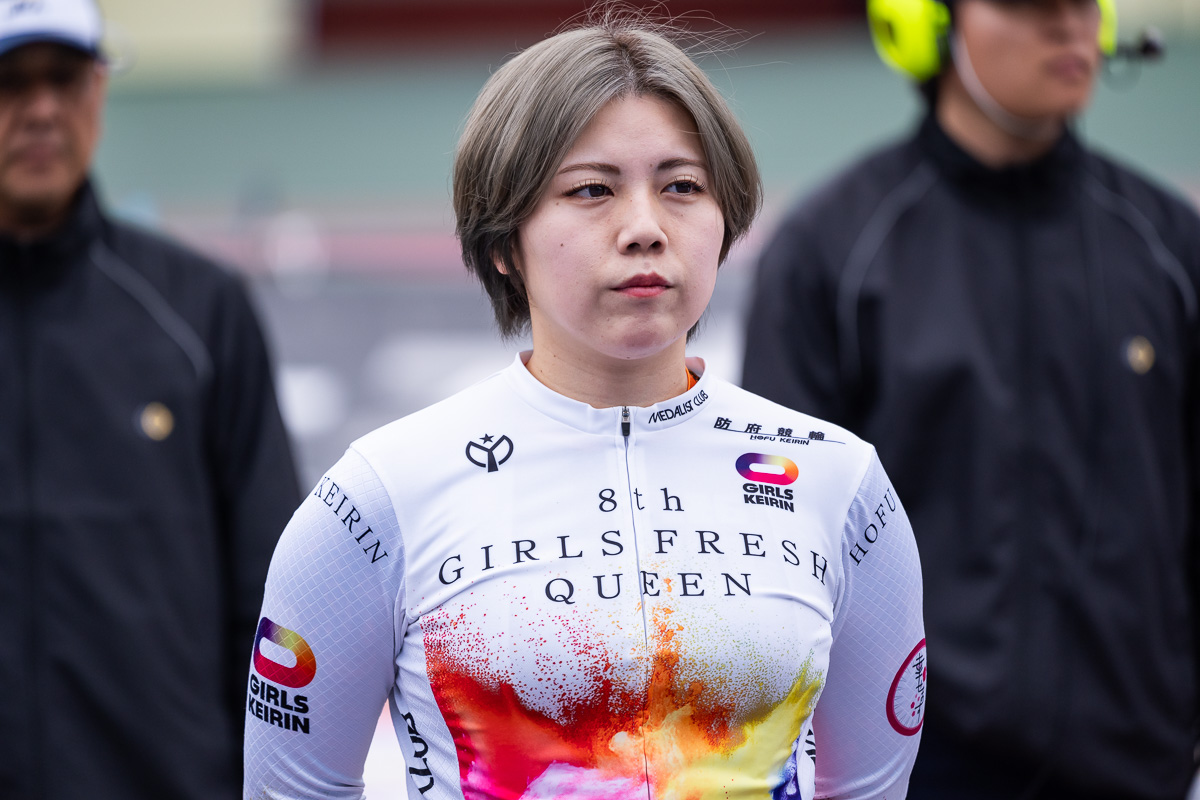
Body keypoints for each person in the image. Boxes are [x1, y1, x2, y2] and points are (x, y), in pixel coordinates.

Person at [244, 12, 926, 800]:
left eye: (682, 186)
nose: (644, 228)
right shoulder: (378, 496)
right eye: (591, 190)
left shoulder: (840, 483)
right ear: (504, 241)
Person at [742, 0, 1200, 797]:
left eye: (1083, 3)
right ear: (927, 23)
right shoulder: (832, 250)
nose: (1069, 26)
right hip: (912, 773)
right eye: (1029, 3)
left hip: (1140, 763)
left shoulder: (1169, 246)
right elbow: (781, 546)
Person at [0, 1, 301, 798]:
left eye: (63, 80)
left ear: (98, 89)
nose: (40, 110)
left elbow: (273, 594)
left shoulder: (199, 312)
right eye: (10, 82)